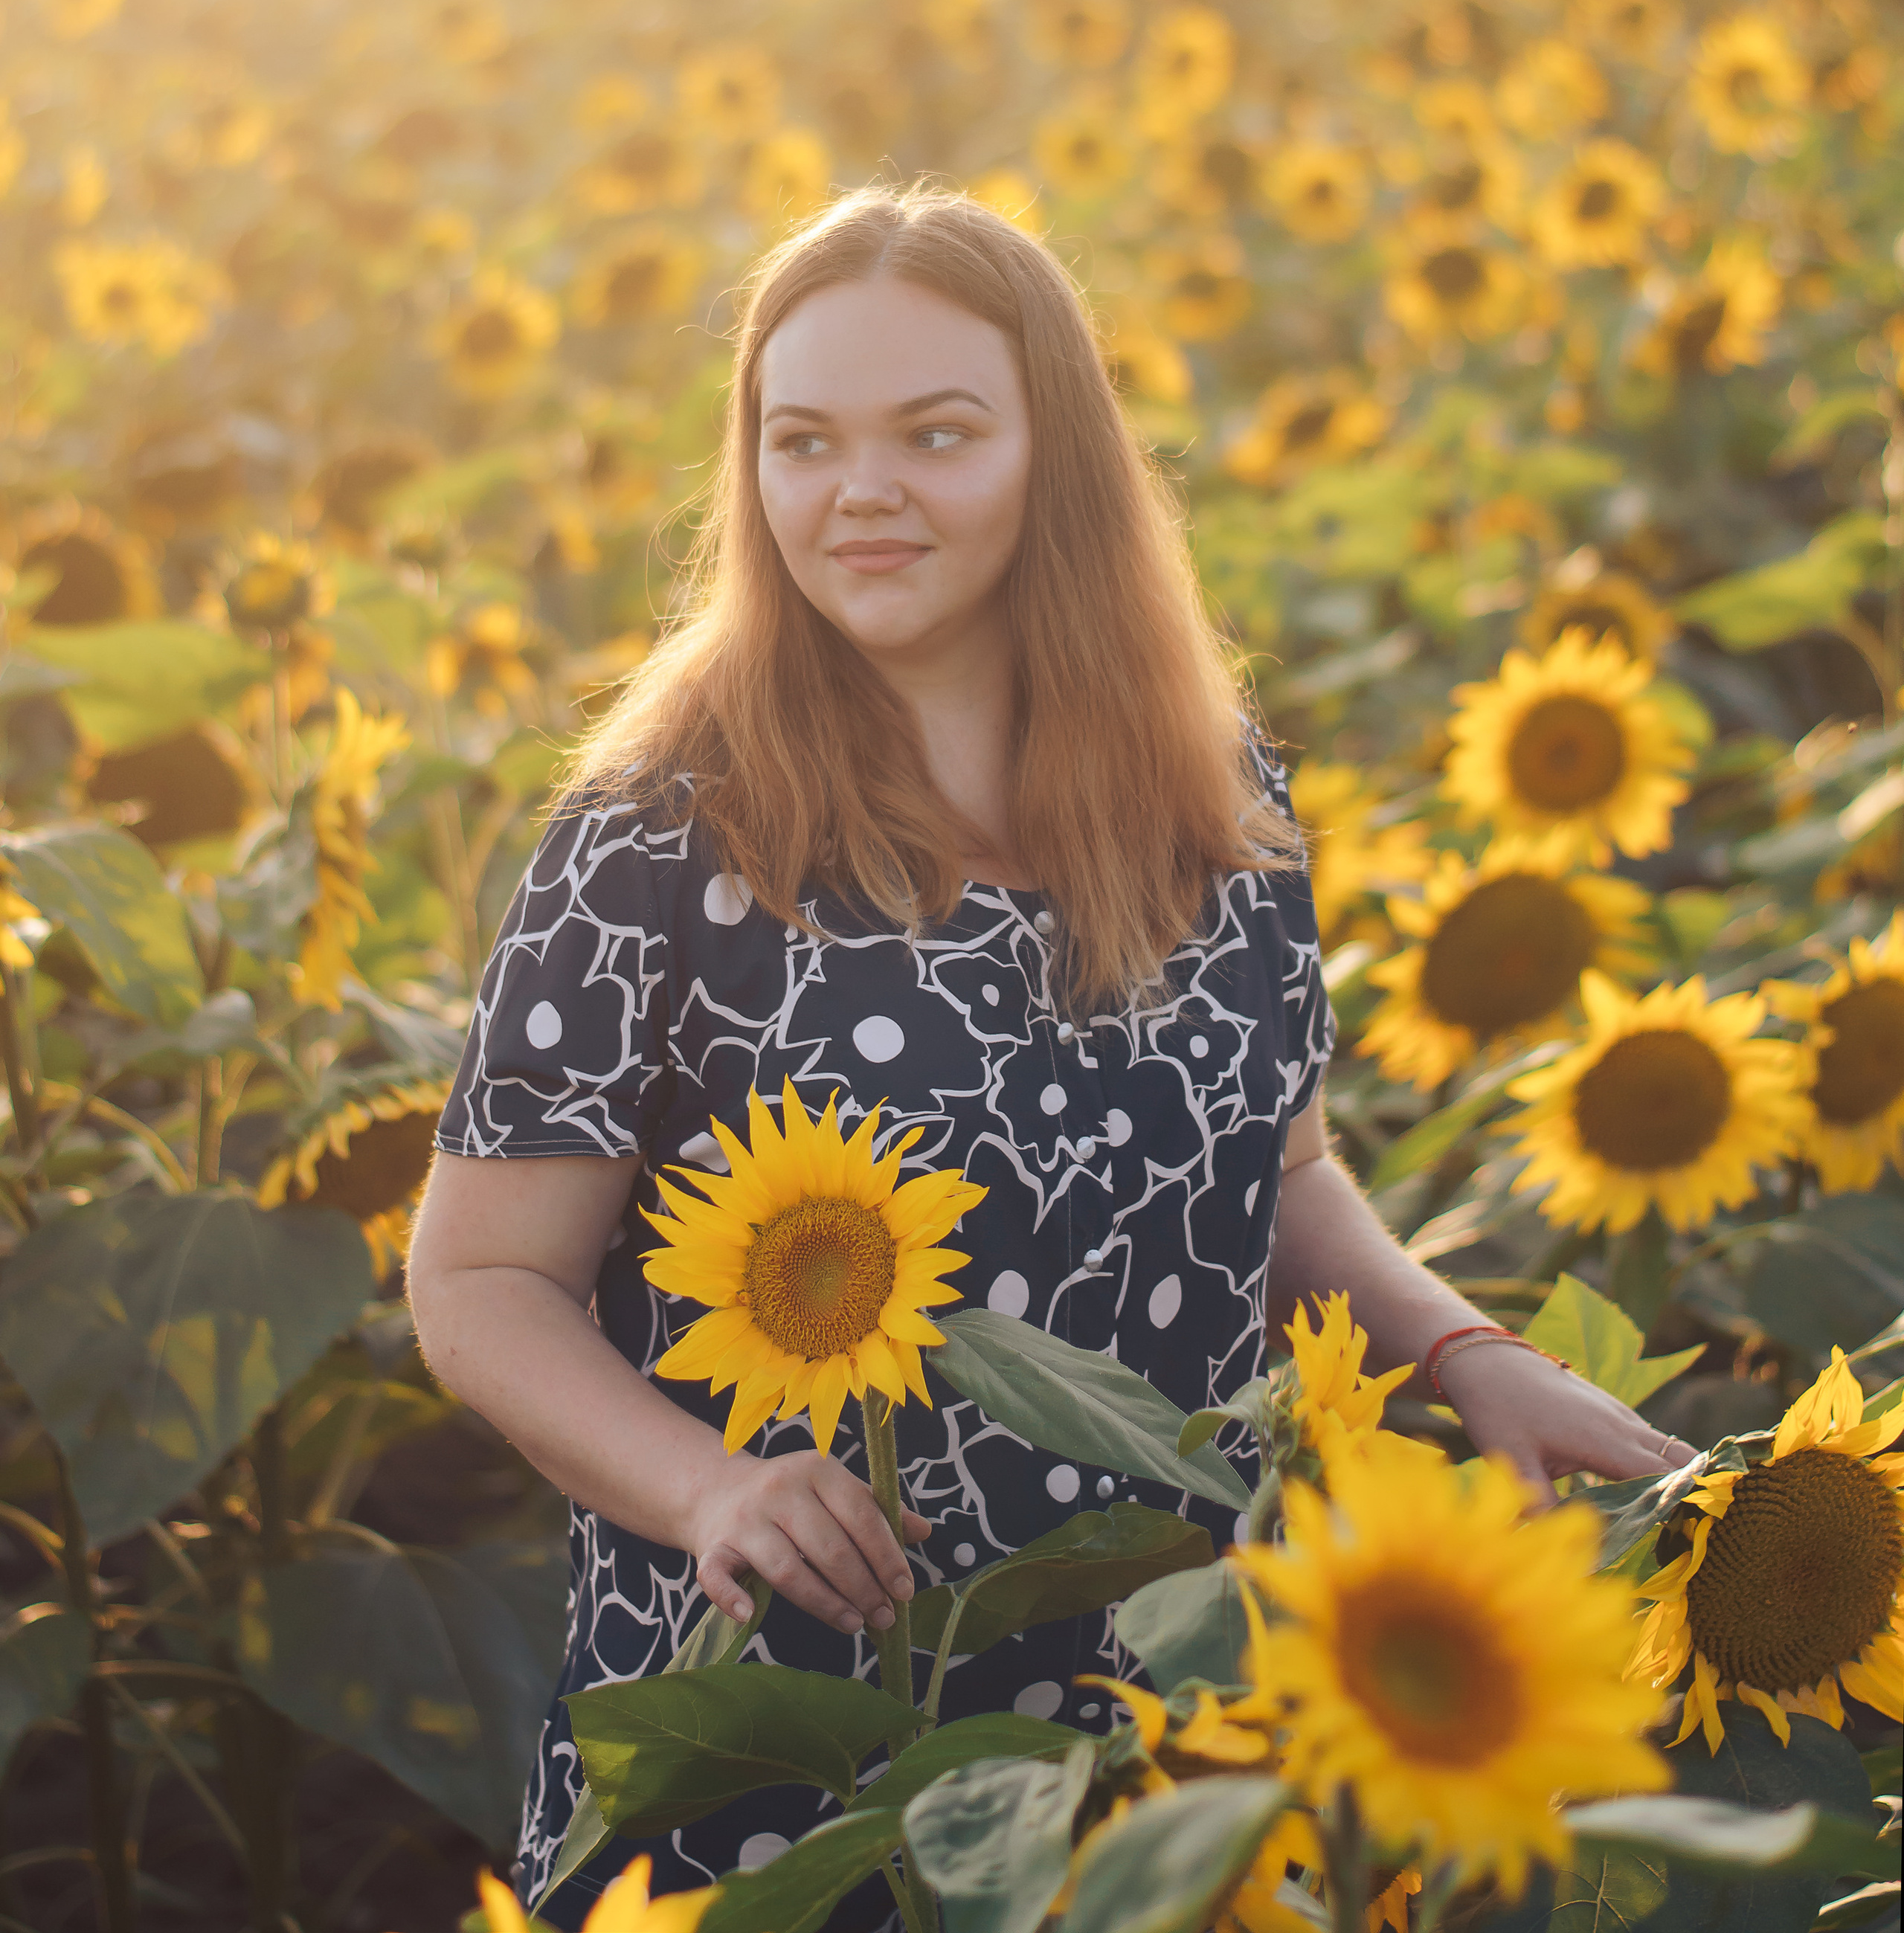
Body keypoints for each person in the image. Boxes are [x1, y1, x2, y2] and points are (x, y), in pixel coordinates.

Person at [408, 184, 1693, 1926]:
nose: (857, 492)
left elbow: (1278, 1175)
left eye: (933, 434)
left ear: (1054, 457)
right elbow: (478, 1280)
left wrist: (1464, 1349)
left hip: (1172, 1702)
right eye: (802, 441)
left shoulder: (1210, 801)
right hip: (803, 1729)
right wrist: (709, 1486)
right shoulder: (654, 841)